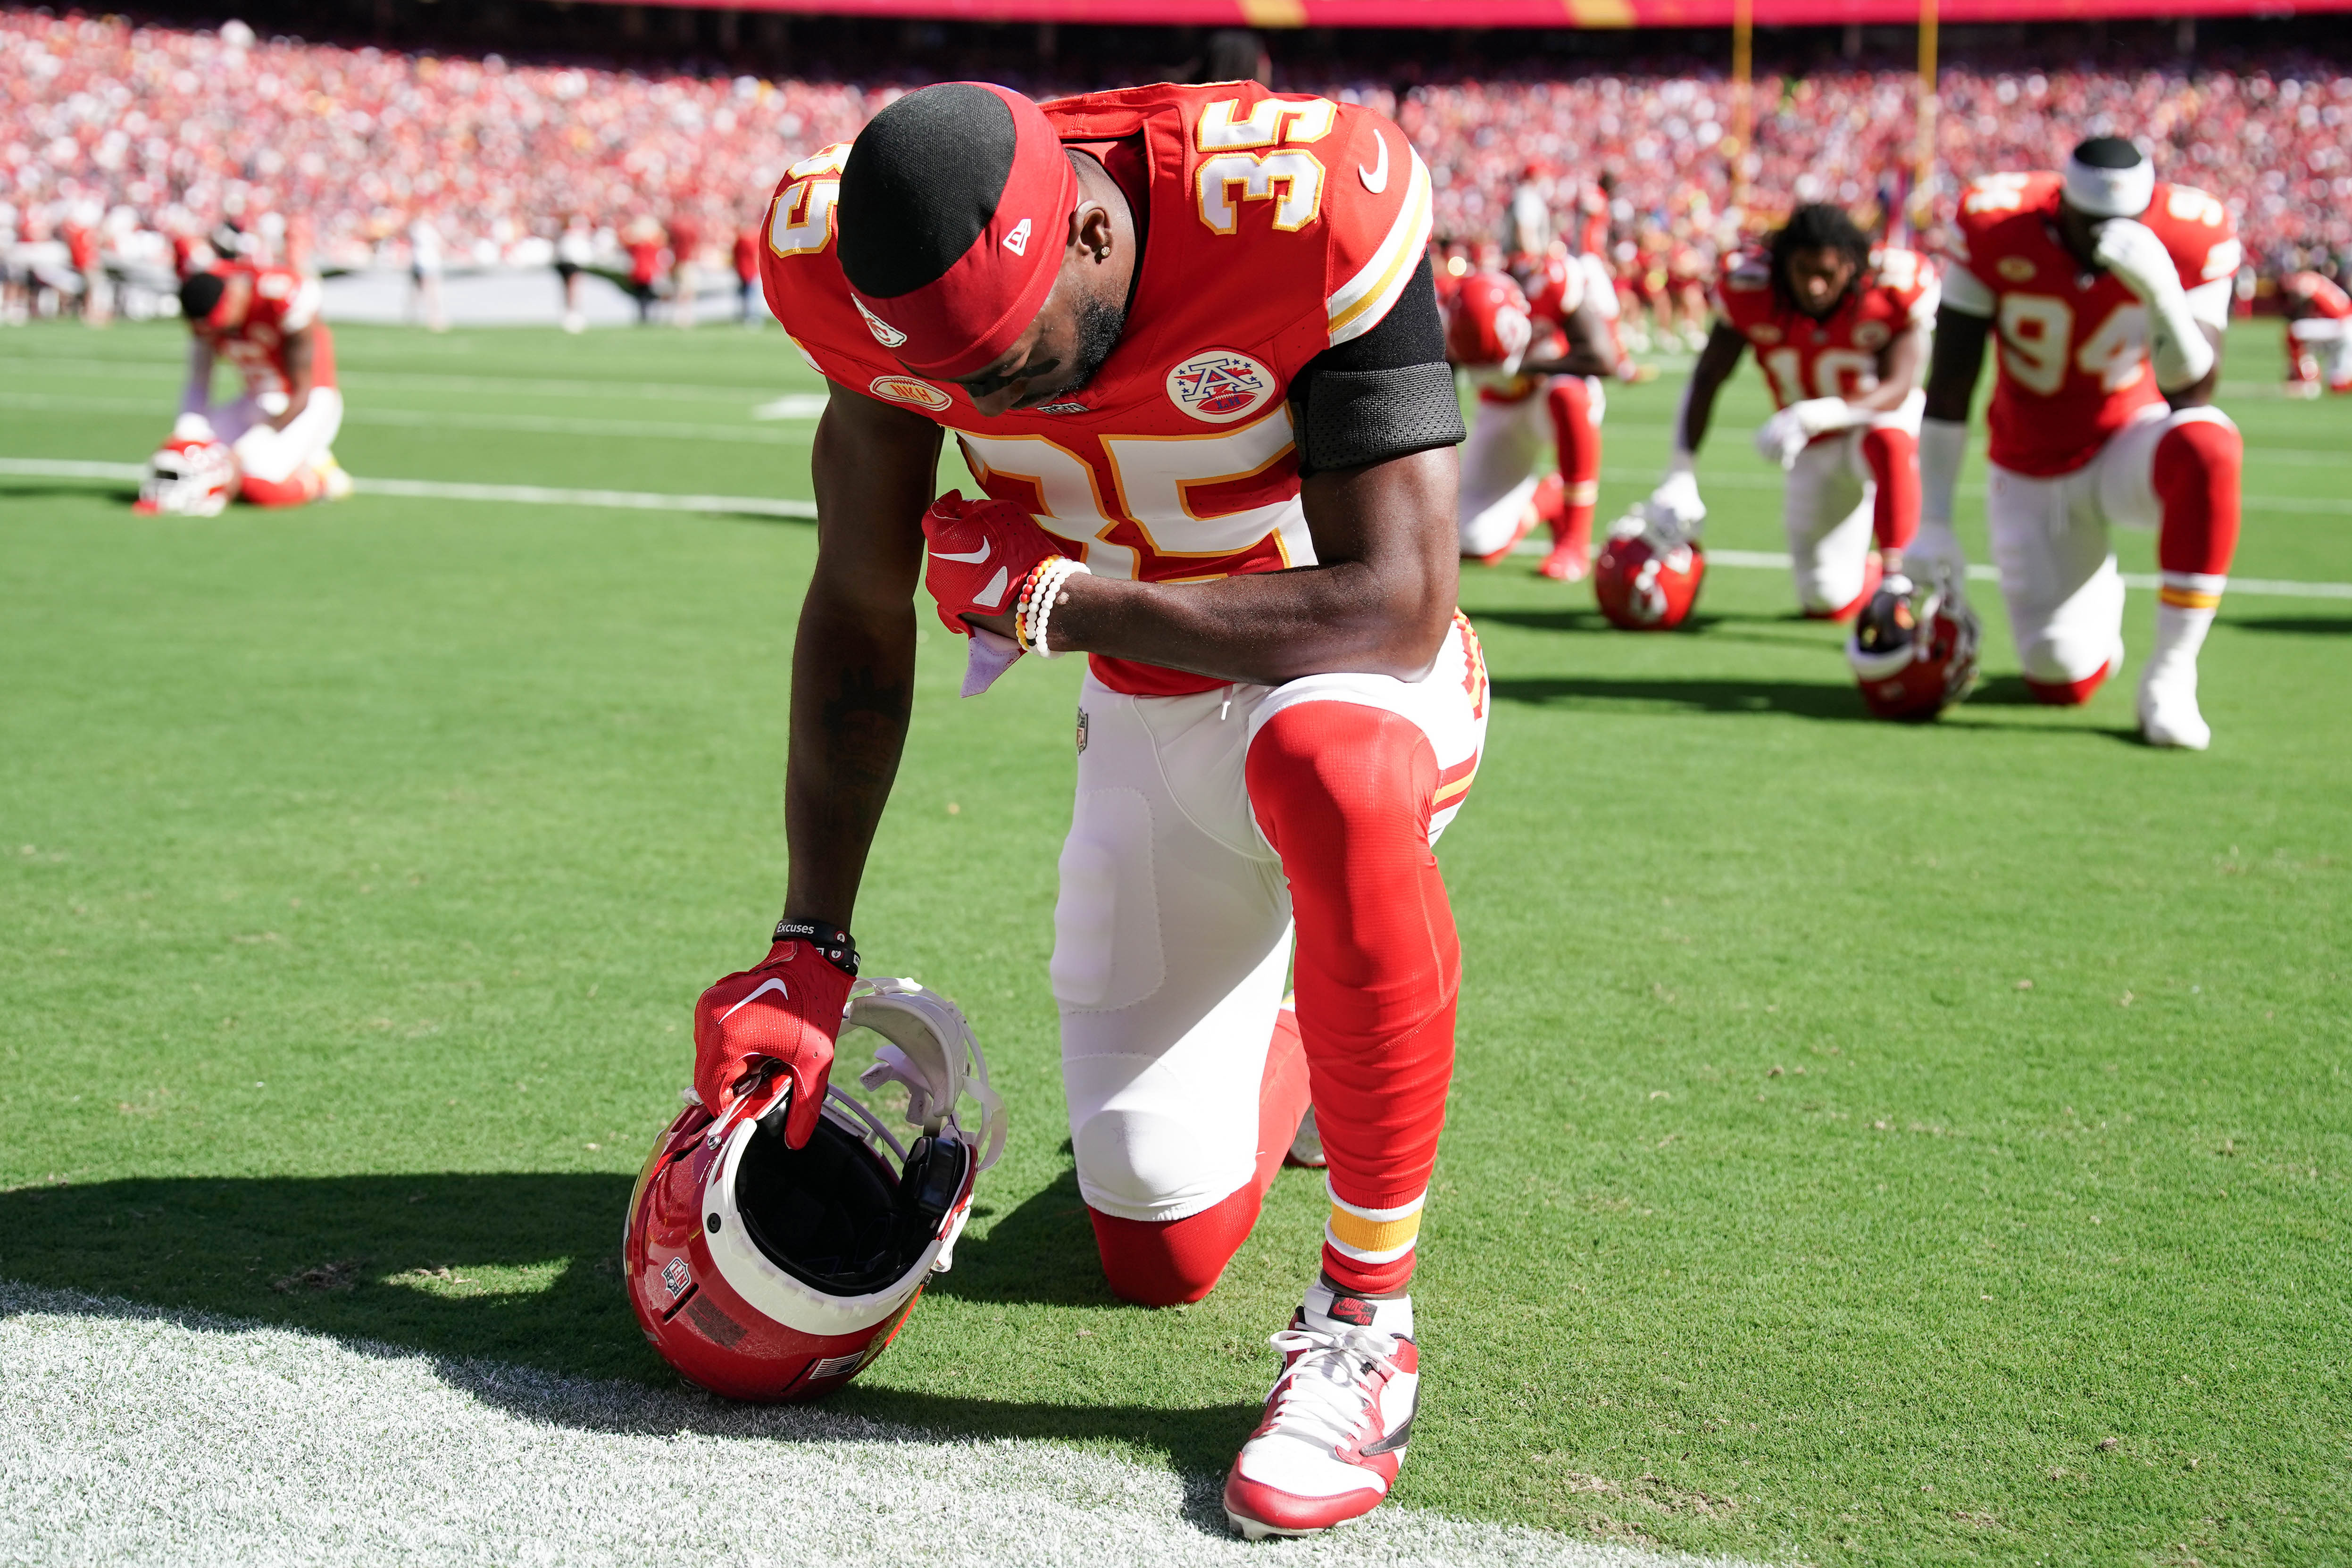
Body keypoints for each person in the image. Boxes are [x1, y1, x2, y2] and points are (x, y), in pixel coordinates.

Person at [714, 81, 1481, 1540]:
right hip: (1143, 710)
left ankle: (1367, 1321)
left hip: (1350, 685)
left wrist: (1064, 601)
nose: (995, 409)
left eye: (1007, 365)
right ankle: (1313, 1035)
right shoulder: (837, 250)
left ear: (1093, 235)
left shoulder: (1302, 205)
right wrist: (810, 937)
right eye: (951, 388)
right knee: (1155, 1238)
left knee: (1330, 766)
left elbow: (1398, 604)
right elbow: (863, 605)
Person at [1916, 137, 2244, 750]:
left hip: (2128, 442)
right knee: (2059, 676)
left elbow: (2193, 394)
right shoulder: (1996, 224)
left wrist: (2162, 294)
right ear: (2060, 203)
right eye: (2089, 222)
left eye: (2120, 222)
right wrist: (1932, 518)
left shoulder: (2189, 232)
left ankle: (2172, 674)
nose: (2102, 238)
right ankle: (2091, 603)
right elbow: (1951, 381)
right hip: (2032, 463)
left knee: (2208, 444)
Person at [1642, 203, 1938, 621]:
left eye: (1827, 273)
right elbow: (1708, 376)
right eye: (1803, 271)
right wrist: (1680, 471)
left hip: (1869, 426)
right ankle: (1868, 575)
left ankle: (1898, 583)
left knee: (1888, 437)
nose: (1815, 286)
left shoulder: (1889, 286)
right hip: (1812, 448)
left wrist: (1814, 414)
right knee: (1825, 598)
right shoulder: (1752, 289)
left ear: (1851, 267)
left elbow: (1898, 388)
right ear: (1783, 265)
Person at [1446, 251, 1627, 580]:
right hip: (1500, 409)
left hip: (1547, 401)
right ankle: (1549, 499)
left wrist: (1524, 368)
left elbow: (1603, 359)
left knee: (1568, 393)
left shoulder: (1547, 283)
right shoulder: (1449, 308)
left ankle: (1574, 541)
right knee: (1474, 543)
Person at [150, 261, 350, 509]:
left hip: (310, 403)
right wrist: (187, 435)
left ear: (234, 295)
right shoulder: (204, 299)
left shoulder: (279, 298)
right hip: (258, 400)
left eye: (219, 325)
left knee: (256, 480)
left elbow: (302, 394)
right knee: (188, 457)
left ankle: (320, 476)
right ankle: (299, 455)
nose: (218, 333)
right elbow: (199, 380)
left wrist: (245, 449)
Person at [2279, 268, 2352, 395]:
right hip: (2344, 325)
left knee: (2295, 331)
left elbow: (2299, 295)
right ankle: (2307, 372)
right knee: (2337, 385)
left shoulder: (2307, 279)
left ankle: (2307, 378)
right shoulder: (2322, 281)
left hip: (2341, 325)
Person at [407, 213, 447, 333]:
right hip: (425, 263)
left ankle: (418, 317)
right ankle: (433, 319)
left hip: (426, 263)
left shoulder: (424, 228)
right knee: (429, 292)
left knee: (423, 291)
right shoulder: (423, 228)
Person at [556, 213, 594, 334]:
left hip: (574, 262)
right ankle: (571, 312)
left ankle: (574, 312)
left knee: (573, 287)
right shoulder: (566, 235)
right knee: (569, 287)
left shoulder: (576, 235)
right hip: (567, 261)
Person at [667, 207, 701, 328]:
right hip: (687, 262)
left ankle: (679, 316)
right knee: (687, 291)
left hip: (678, 261)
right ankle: (684, 317)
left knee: (679, 290)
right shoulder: (690, 227)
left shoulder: (675, 227)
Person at [732, 219, 761, 326]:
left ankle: (747, 316)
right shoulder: (748, 240)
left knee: (747, 295)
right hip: (749, 270)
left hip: (744, 270)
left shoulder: (741, 240)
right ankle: (751, 316)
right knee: (750, 295)